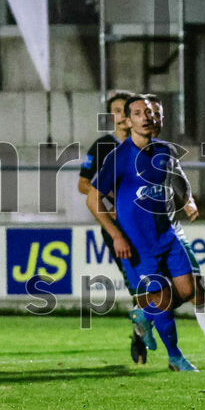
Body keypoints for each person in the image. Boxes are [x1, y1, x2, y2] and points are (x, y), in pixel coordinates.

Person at [87, 95, 205, 372]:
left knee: (192, 290)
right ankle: (175, 357)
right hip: (137, 244)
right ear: (129, 120)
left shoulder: (166, 151)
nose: (146, 117)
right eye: (138, 113)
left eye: (151, 112)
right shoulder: (118, 158)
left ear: (161, 118)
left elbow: (179, 179)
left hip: (169, 235)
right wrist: (116, 235)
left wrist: (189, 200)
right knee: (163, 299)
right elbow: (92, 198)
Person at [77, 89, 156, 364]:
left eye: (126, 110)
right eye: (117, 111)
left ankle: (145, 324)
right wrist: (110, 194)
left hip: (149, 224)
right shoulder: (103, 147)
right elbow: (83, 184)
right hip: (118, 226)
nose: (121, 116)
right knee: (138, 282)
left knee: (161, 281)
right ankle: (140, 333)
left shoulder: (150, 144)